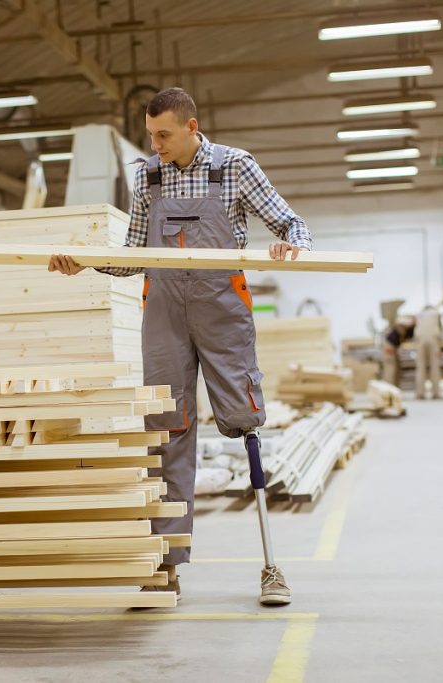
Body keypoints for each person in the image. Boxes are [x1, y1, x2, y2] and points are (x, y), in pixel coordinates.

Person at [48, 87, 312, 606]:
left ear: (192, 127)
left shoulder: (236, 167)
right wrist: (86, 261)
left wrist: (291, 245)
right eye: (150, 135)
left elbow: (291, 223)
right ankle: (165, 564)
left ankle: (271, 567)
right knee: (166, 428)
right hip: (165, 310)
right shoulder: (148, 177)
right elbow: (135, 257)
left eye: (163, 135)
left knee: (244, 417)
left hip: (222, 308)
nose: (155, 145)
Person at [413, 305, 443, 399]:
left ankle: (420, 393)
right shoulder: (436, 314)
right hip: (433, 340)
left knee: (420, 367)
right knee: (435, 367)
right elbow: (440, 328)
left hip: (420, 340)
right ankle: (436, 393)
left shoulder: (419, 314)